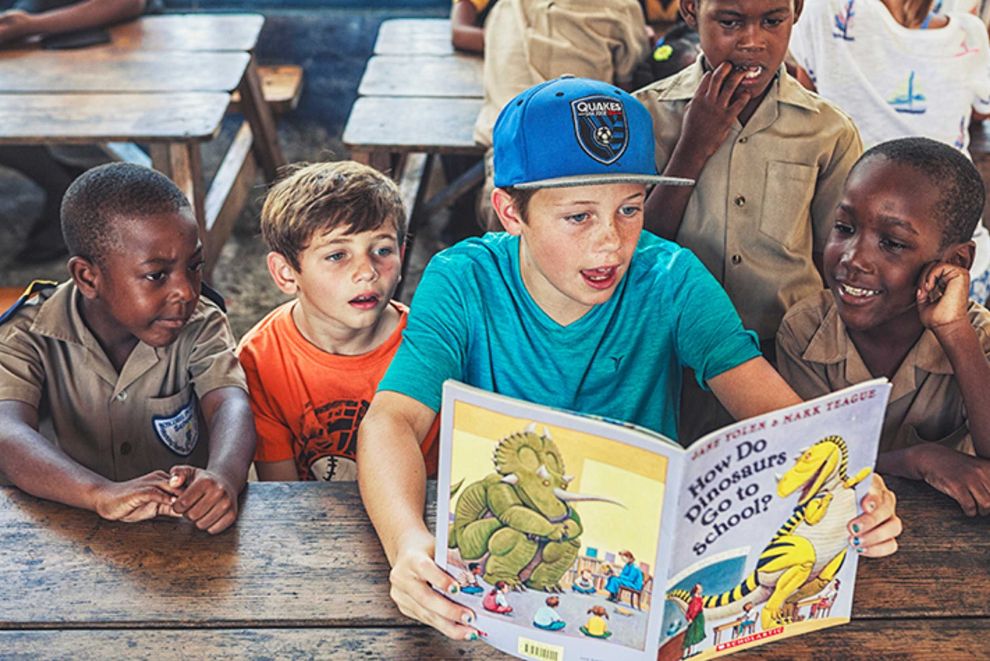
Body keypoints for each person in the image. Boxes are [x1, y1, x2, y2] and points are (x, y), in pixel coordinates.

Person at [356, 76, 901, 642]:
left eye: (630, 209)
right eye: (578, 216)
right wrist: (406, 545)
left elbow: (781, 418)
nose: (612, 243)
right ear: (510, 212)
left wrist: (852, 494)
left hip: (648, 560)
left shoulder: (670, 277)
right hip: (490, 597)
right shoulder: (462, 279)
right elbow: (393, 420)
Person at [634, 0, 863, 441]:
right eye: (729, 22)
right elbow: (632, 249)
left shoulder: (828, 132)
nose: (753, 41)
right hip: (670, 360)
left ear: (796, 10)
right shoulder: (646, 115)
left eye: (773, 21)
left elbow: (832, 264)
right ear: (689, 11)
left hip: (787, 364)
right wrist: (692, 146)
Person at [0, 163, 255, 533]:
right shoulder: (27, 332)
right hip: (74, 527)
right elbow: (7, 431)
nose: (185, 291)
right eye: (157, 275)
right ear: (88, 277)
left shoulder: (200, 321)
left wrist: (224, 477)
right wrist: (99, 493)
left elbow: (230, 403)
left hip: (184, 530)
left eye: (195, 266)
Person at [777, 138, 990, 517]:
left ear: (956, 259)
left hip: (948, 551)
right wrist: (917, 460)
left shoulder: (977, 335)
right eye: (844, 227)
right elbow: (807, 469)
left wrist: (955, 332)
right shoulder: (806, 332)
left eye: (891, 243)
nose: (853, 258)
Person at [237, 161, 438, 482]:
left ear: (402, 253)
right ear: (285, 273)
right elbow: (283, 493)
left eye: (382, 250)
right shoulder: (260, 358)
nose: (367, 271)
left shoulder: (430, 349)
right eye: (337, 255)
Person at [789, 0, 990, 304]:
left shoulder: (825, 12)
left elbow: (808, 102)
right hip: (953, 264)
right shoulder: (968, 36)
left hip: (853, 258)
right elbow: (981, 111)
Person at [473, 0, 652, 229]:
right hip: (589, 161)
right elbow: (629, 94)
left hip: (504, 166)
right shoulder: (619, 7)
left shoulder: (504, 8)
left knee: (514, 251)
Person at [682, 583, 705, 657]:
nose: (701, 589)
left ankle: (694, 651)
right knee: (692, 635)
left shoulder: (699, 598)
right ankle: (689, 653)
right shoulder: (695, 600)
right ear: (696, 590)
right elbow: (693, 609)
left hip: (699, 618)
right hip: (695, 618)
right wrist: (690, 618)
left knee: (697, 635)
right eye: (699, 588)